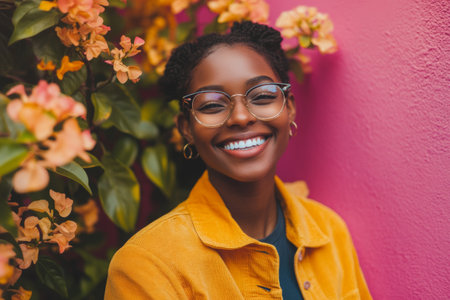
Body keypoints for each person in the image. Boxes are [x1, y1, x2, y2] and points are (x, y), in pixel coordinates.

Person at [105, 21, 372, 299]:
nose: (241, 117)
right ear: (186, 128)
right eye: (212, 105)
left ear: (289, 108)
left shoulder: (329, 230)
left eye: (262, 96)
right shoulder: (146, 265)